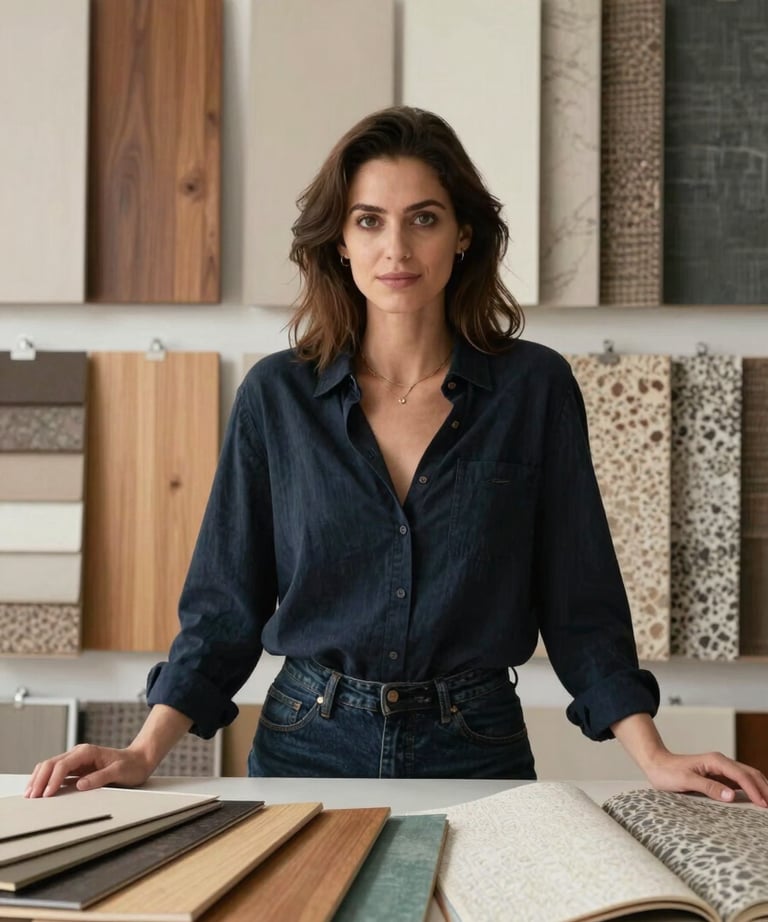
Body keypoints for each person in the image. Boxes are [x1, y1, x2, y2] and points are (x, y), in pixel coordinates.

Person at [27, 106, 768, 805]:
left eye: (424, 219)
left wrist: (654, 755)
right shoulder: (276, 398)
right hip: (304, 743)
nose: (397, 249)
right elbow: (225, 606)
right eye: (369, 220)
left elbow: (581, 602)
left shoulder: (533, 389)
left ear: (463, 234)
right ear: (339, 241)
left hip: (475, 745)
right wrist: (144, 751)